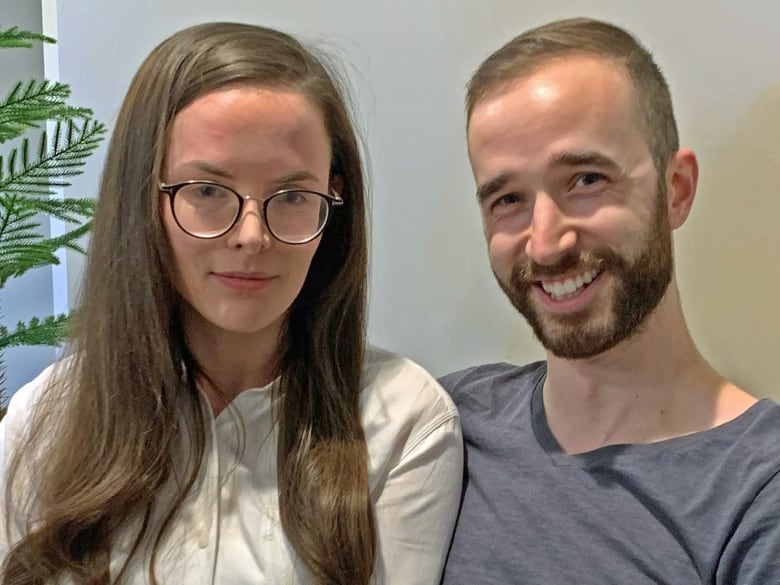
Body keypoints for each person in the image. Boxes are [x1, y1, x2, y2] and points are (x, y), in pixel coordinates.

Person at [0, 22, 462, 585]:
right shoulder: (44, 422)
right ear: (145, 199)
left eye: (291, 196)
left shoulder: (403, 420)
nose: (251, 236)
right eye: (207, 191)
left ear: (334, 203)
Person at [440, 17, 780, 585]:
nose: (546, 244)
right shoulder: (445, 426)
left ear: (676, 191)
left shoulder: (757, 492)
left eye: (587, 180)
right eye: (508, 199)